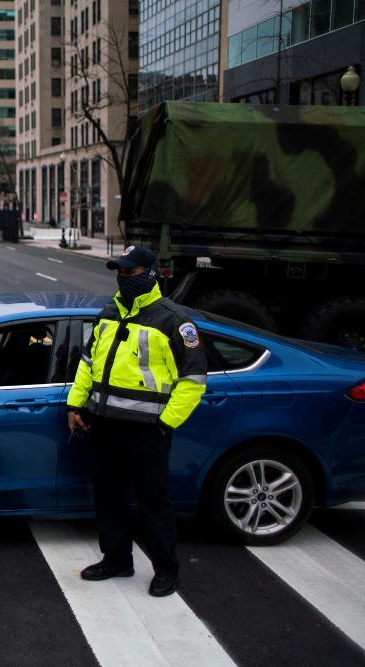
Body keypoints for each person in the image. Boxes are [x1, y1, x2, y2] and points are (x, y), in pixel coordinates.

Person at [66, 246, 207, 597]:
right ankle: (117, 560)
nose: (124, 278)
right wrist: (76, 404)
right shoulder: (108, 313)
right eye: (121, 272)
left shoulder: (173, 320)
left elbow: (193, 381)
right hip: (105, 424)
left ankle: (166, 570)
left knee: (153, 502)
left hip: (147, 431)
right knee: (109, 497)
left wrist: (165, 423)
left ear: (151, 273)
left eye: (131, 272)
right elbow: (87, 363)